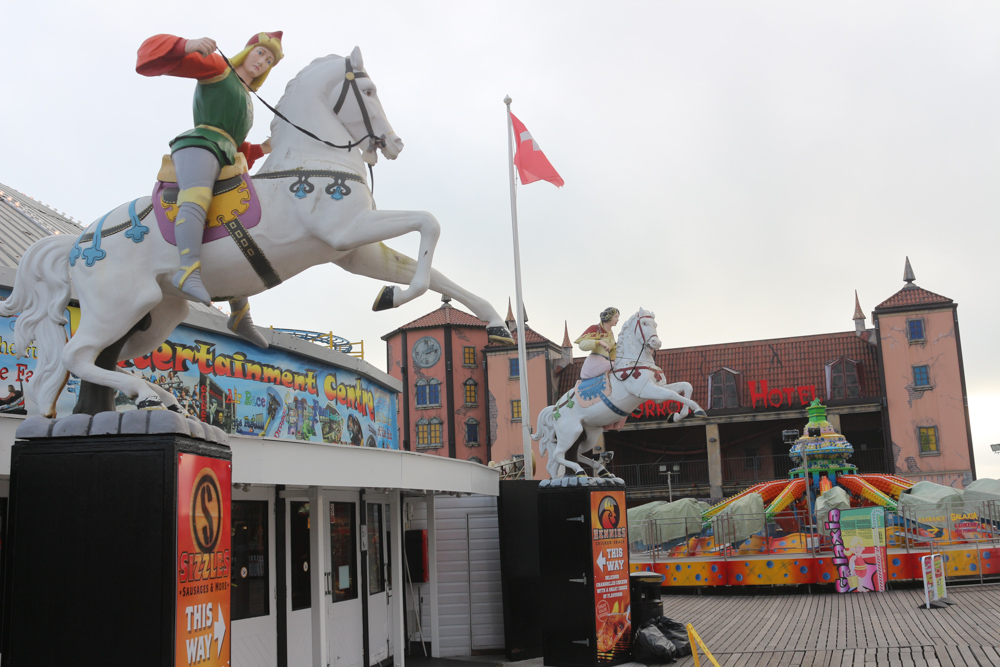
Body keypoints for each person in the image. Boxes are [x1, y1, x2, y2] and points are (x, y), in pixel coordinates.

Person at [136, 32, 284, 348]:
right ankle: (187, 271)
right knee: (198, 197)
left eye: (269, 61)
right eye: (260, 53)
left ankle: (240, 311)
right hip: (201, 144)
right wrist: (185, 45)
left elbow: (239, 144)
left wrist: (265, 147)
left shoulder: (247, 98)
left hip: (229, 154)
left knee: (235, 222)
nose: (262, 62)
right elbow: (150, 57)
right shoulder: (218, 69)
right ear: (247, 51)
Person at [575, 307, 619, 380]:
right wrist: (599, 342)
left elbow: (613, 350)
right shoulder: (595, 328)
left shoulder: (611, 333)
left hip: (606, 362)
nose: (618, 319)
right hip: (595, 362)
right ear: (609, 317)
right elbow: (582, 345)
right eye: (616, 317)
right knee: (619, 365)